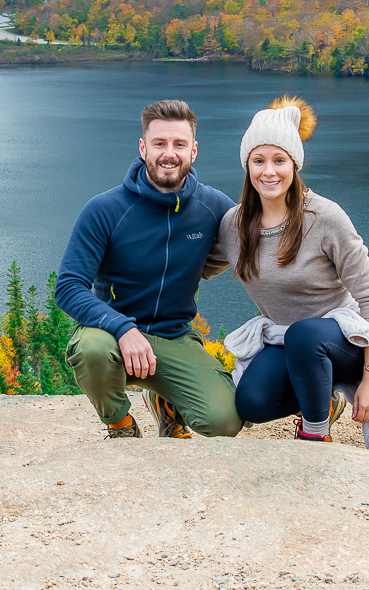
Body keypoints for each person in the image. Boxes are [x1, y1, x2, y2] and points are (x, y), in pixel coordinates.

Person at [55, 99, 242, 439]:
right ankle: (120, 423)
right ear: (143, 148)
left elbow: (260, 238)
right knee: (90, 349)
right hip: (111, 336)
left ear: (193, 151)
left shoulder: (213, 206)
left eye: (179, 144)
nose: (168, 153)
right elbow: (69, 287)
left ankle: (164, 402)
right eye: (159, 143)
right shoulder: (105, 209)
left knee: (224, 422)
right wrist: (124, 329)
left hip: (174, 335)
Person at [215, 95, 369, 442]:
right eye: (258, 160)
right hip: (286, 339)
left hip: (342, 341)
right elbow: (194, 266)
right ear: (246, 166)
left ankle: (314, 432)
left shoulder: (325, 217)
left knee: (305, 335)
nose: (269, 171)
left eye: (279, 160)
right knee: (252, 404)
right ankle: (324, 400)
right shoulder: (234, 226)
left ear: (294, 165)